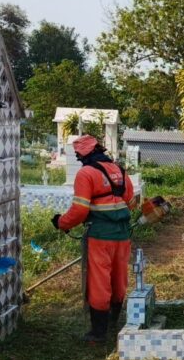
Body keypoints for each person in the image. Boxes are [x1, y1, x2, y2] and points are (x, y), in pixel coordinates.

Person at [52, 135, 138, 344]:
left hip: (100, 236)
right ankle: (114, 323)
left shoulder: (86, 173)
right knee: (119, 278)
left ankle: (98, 333)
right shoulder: (119, 170)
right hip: (123, 235)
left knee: (99, 281)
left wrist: (62, 222)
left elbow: (80, 210)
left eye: (78, 155)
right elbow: (131, 202)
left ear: (83, 154)